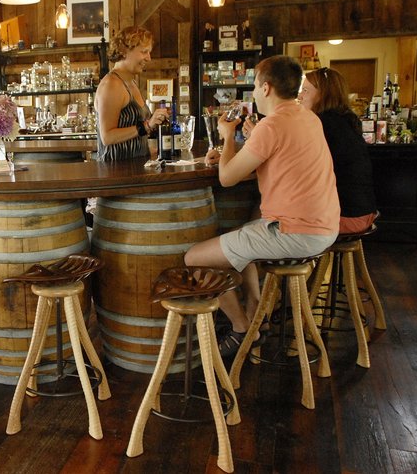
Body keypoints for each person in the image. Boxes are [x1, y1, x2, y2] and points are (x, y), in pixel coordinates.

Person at [187, 55, 340, 357]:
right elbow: (281, 156)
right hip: (324, 227)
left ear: (267, 88)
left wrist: (228, 136)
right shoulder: (308, 118)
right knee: (246, 231)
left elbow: (228, 178)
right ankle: (257, 313)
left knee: (195, 259)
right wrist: (238, 148)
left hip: (294, 232)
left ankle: (242, 327)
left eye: (255, 85)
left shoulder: (272, 126)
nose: (254, 92)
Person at [297, 67, 377, 233]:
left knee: (275, 217)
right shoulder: (345, 118)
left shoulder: (323, 123)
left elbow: (297, 164)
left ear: (324, 94)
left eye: (305, 90)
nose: (300, 95)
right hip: (363, 211)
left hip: (345, 216)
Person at [94, 26, 170, 161]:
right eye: (144, 52)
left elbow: (135, 134)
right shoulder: (112, 85)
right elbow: (107, 137)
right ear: (124, 52)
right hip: (116, 173)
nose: (149, 58)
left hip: (134, 168)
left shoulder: (131, 82)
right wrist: (147, 125)